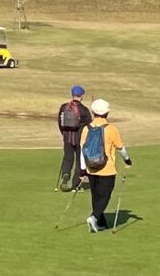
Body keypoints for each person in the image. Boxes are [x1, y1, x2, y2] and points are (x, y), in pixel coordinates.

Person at [78, 99, 131, 232]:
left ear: (93, 112)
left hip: (91, 168)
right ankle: (94, 217)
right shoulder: (111, 129)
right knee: (105, 196)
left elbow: (82, 150)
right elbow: (121, 148)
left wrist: (83, 170)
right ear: (107, 113)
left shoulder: (86, 128)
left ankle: (101, 223)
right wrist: (127, 160)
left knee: (96, 196)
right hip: (107, 169)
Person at [55, 84, 93, 192]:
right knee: (79, 161)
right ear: (81, 96)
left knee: (67, 159)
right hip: (80, 139)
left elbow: (60, 123)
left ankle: (65, 175)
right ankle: (76, 185)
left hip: (67, 138)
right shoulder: (84, 110)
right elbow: (89, 126)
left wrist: (64, 134)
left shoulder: (63, 107)